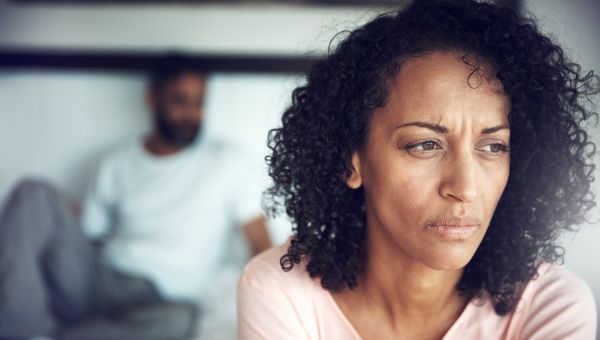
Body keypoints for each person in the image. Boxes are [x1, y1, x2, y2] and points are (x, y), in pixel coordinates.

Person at [237, 1, 599, 339]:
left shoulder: (550, 306)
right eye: (425, 144)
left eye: (493, 146)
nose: (466, 187)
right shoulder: (280, 290)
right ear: (351, 160)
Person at [0, 55, 271, 340]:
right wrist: (62, 213)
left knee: (179, 321)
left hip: (161, 301)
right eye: (180, 101)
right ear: (152, 97)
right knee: (33, 193)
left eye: (198, 102)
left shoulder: (228, 162)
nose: (191, 114)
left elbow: (260, 243)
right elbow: (90, 235)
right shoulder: (116, 162)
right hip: (100, 280)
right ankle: (19, 331)